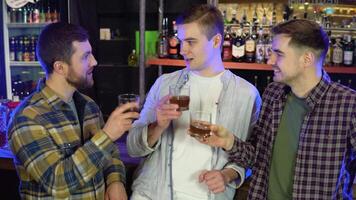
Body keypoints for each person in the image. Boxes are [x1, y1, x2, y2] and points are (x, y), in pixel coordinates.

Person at [202, 19, 356, 199]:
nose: (270, 60)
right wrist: (229, 142)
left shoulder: (348, 104)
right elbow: (258, 159)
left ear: (307, 59)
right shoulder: (273, 94)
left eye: (279, 54)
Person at [126, 4, 261, 200]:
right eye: (181, 41)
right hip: (151, 195)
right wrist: (158, 126)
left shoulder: (246, 94)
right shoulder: (165, 83)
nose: (182, 50)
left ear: (216, 41)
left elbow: (250, 156)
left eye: (191, 42)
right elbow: (132, 147)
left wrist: (226, 175)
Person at [7, 22, 139, 199]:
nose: (94, 61)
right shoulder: (27, 119)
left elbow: (110, 152)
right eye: (85, 57)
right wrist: (107, 135)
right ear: (60, 67)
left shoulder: (89, 105)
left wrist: (115, 181)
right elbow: (57, 183)